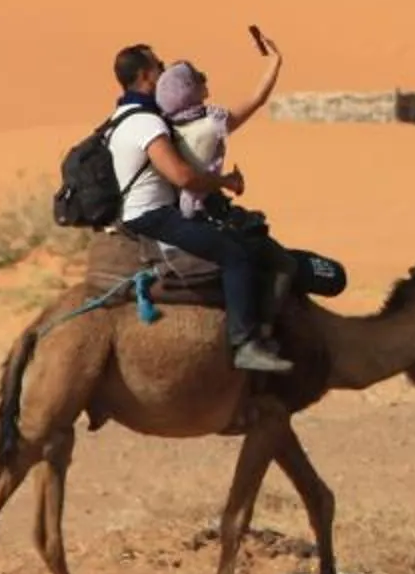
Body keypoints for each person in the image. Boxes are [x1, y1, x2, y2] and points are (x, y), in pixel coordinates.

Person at [106, 43, 293, 374]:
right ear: (145, 75)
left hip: (135, 212)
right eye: (159, 65)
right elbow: (182, 177)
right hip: (154, 216)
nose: (163, 71)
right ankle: (244, 343)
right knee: (234, 255)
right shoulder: (147, 124)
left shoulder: (119, 119)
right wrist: (225, 181)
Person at [155, 31, 285, 222]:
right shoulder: (209, 125)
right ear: (188, 91)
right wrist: (275, 61)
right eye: (198, 78)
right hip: (199, 213)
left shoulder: (166, 124)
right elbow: (257, 99)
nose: (205, 78)